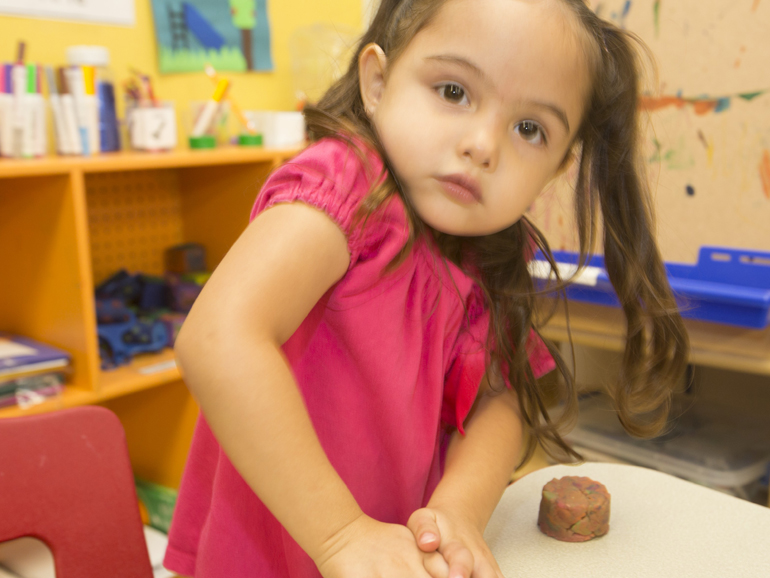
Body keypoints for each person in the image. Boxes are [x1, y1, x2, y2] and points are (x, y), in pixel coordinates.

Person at [163, 0, 689, 576]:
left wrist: (457, 512)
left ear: (558, 167)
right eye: (454, 92)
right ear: (379, 81)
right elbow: (218, 337)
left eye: (529, 129)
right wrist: (341, 535)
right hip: (273, 553)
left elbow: (499, 397)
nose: (483, 145)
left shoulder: (486, 250)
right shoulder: (342, 188)